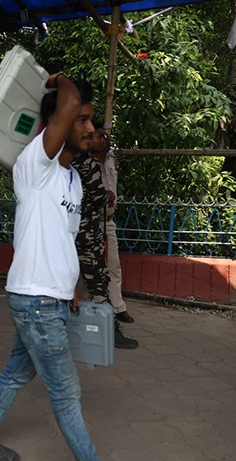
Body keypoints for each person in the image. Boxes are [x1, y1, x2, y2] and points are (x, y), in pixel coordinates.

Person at [0, 74, 151, 461]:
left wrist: (72, 290)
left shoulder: (72, 181)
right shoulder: (35, 166)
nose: (89, 129)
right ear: (58, 125)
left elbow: (63, 240)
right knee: (66, 392)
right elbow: (64, 104)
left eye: (91, 122)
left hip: (50, 298)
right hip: (35, 300)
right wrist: (64, 81)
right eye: (81, 120)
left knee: (17, 371)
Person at [73, 138, 138, 349]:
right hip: (87, 229)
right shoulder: (85, 160)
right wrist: (107, 194)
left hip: (81, 226)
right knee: (98, 280)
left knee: (94, 275)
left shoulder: (64, 158)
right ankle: (109, 330)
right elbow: (98, 195)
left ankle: (84, 326)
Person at [91, 123, 134, 324]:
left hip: (108, 220)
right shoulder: (86, 162)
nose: (104, 140)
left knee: (114, 265)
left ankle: (118, 307)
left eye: (105, 137)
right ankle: (92, 306)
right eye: (99, 137)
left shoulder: (110, 159)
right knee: (91, 265)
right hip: (89, 220)